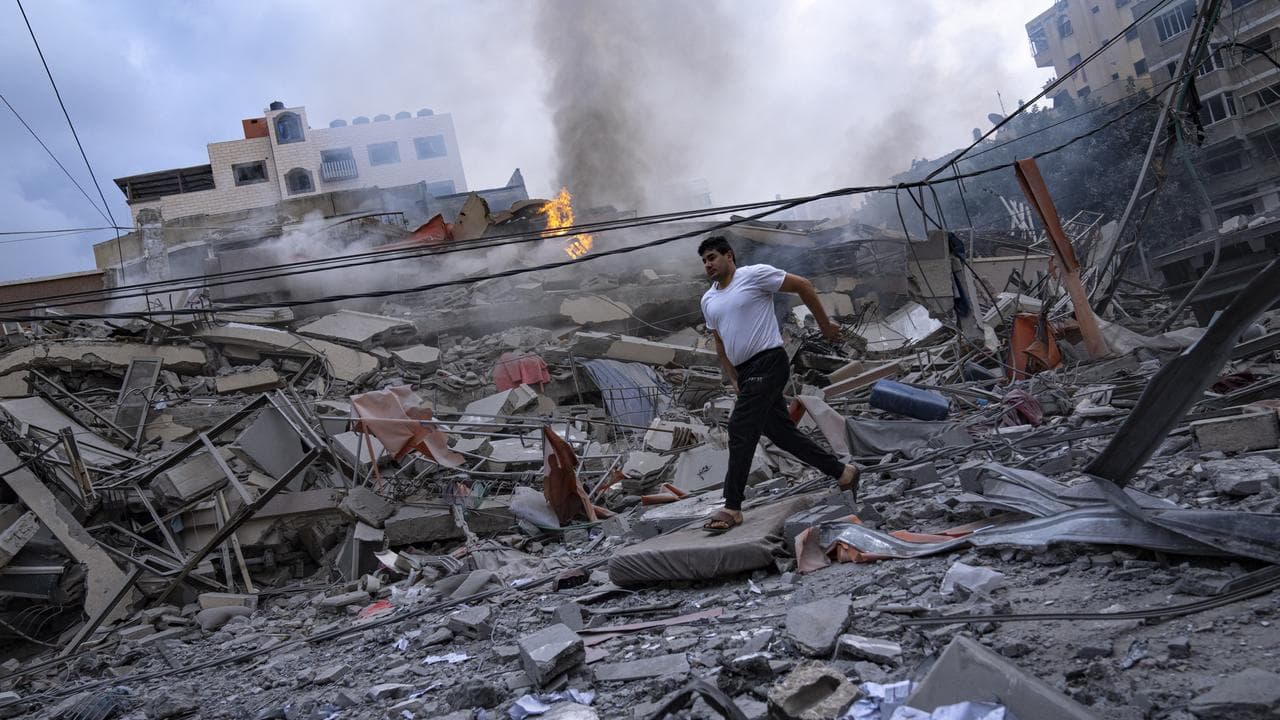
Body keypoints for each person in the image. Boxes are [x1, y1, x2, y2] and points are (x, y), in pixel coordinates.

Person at [697, 235, 860, 533]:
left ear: (729, 255)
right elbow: (719, 342)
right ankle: (842, 473)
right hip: (746, 372)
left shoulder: (754, 275)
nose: (708, 264)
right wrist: (733, 379)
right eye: (704, 260)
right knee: (781, 433)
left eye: (712, 257)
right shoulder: (708, 300)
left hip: (769, 361)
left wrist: (824, 325)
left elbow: (803, 285)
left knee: (740, 427)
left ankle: (732, 506)